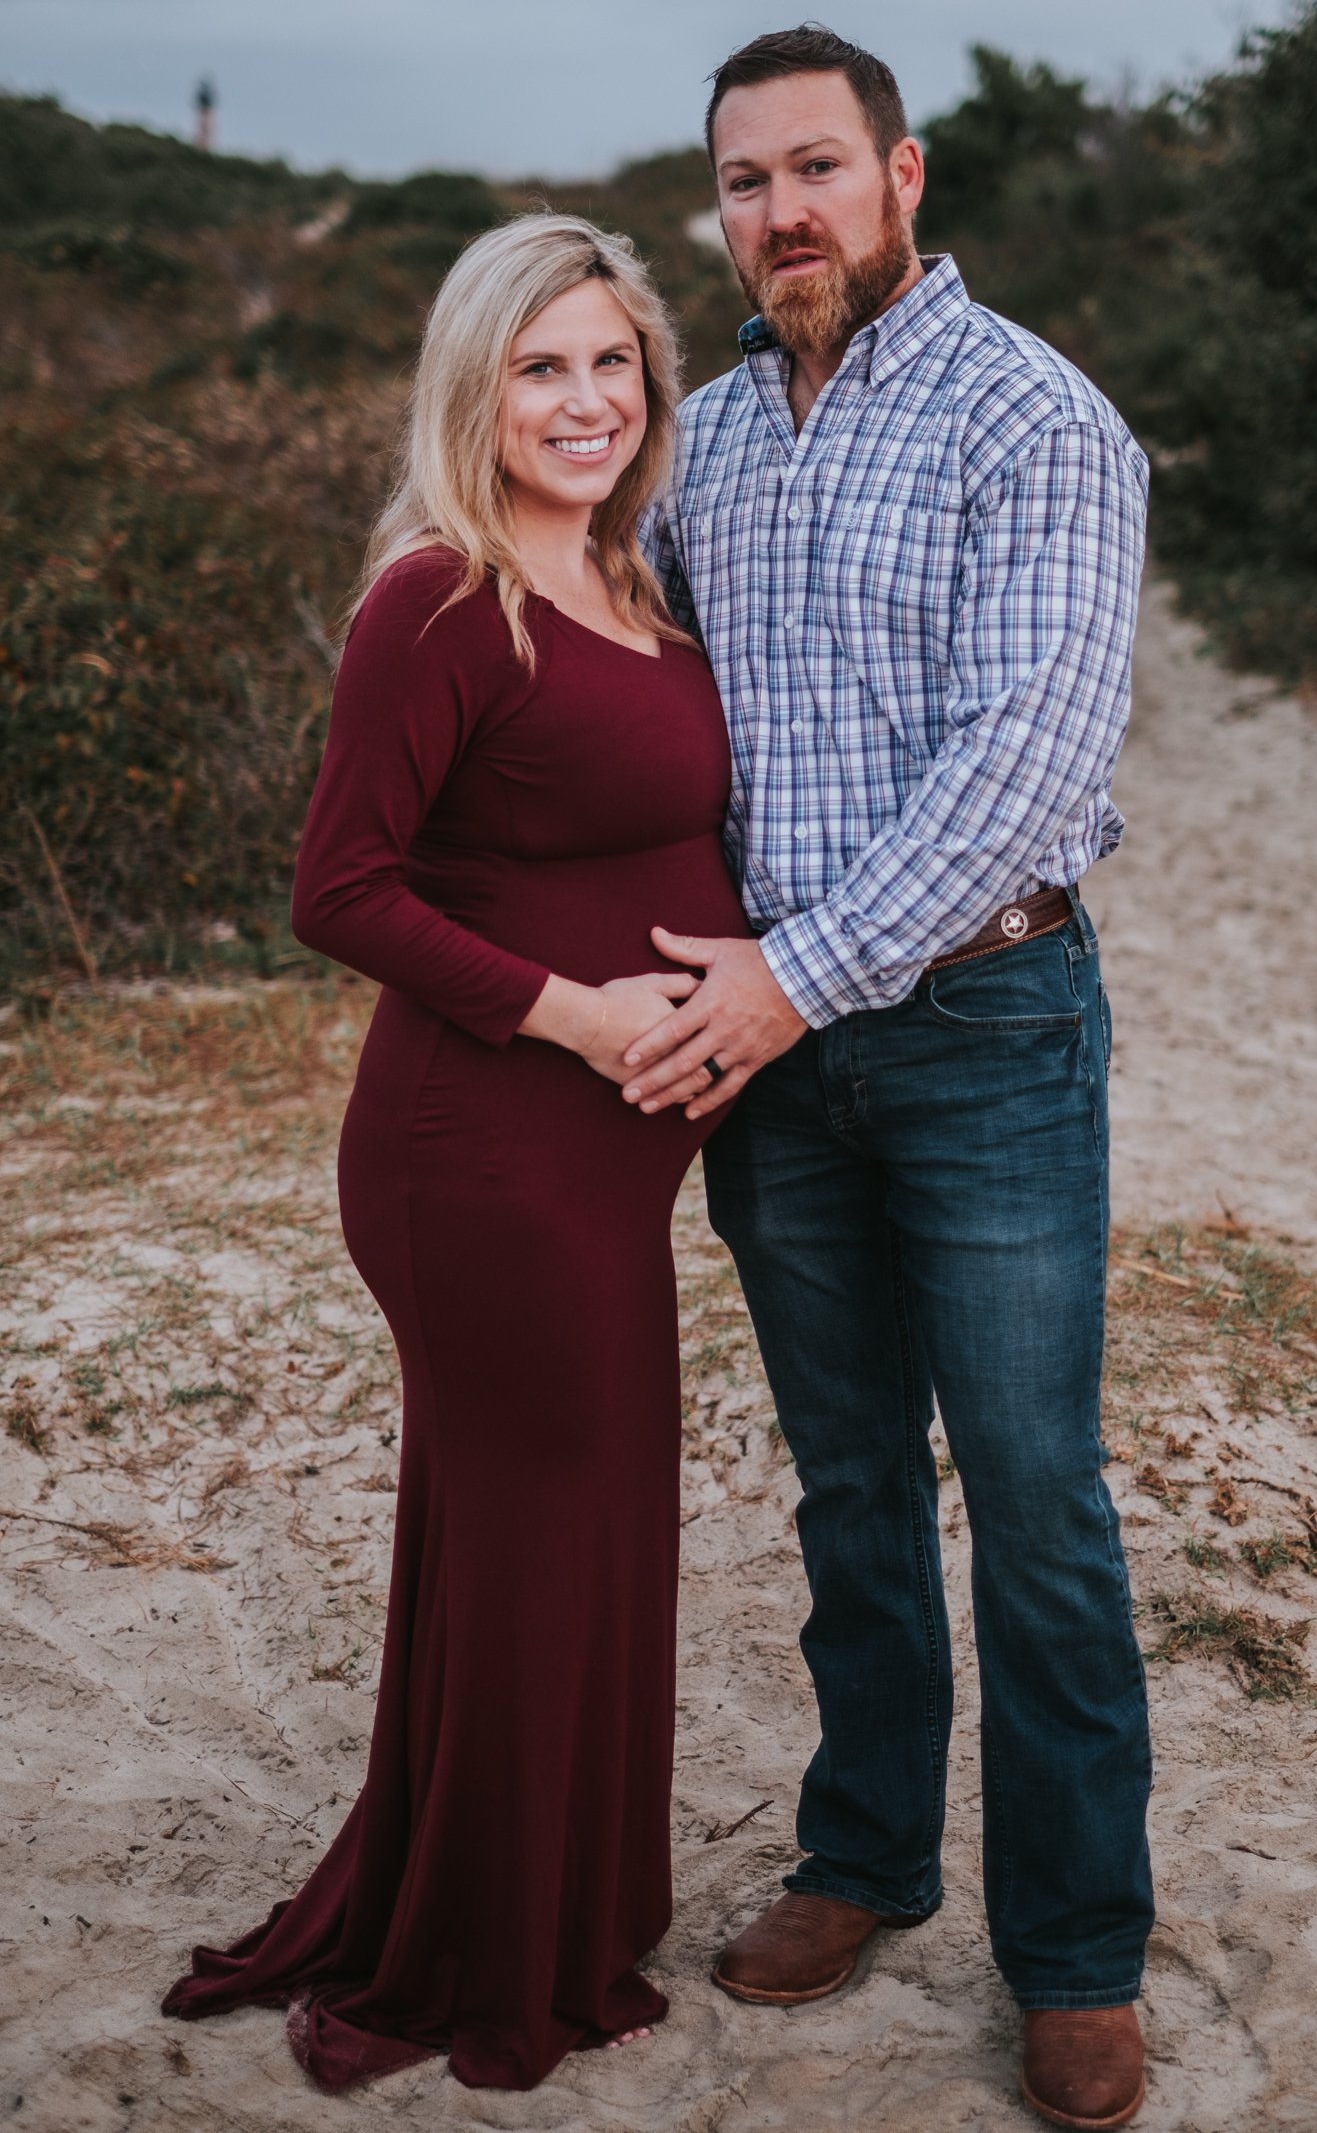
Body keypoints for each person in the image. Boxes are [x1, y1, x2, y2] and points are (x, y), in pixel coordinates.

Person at [625, 25, 1155, 2131]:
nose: (782, 212)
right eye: (744, 181)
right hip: (769, 1058)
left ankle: (1078, 1951)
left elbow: (1025, 762)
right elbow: (646, 711)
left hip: (984, 1025)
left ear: (902, 175)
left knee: (1033, 1498)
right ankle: (863, 1853)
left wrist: (795, 979)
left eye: (817, 167)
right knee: (848, 1479)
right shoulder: (706, 443)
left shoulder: (1037, 416)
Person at [162, 214, 745, 2091]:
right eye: (536, 367)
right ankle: (485, 1952)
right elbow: (339, 890)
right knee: (540, 1545)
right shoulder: (439, 598)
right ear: (470, 392)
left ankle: (552, 1907)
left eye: (609, 361)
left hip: (602, 1173)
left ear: (651, 379)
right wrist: (579, 1015)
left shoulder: (636, 580)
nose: (583, 401)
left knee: (572, 1536)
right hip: (481, 1155)